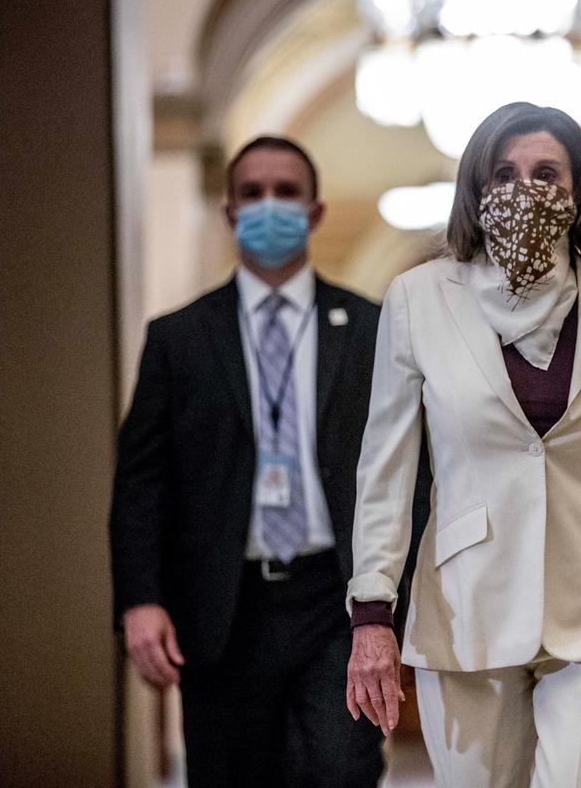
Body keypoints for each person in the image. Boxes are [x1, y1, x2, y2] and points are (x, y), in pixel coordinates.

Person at [343, 102, 581, 788]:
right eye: (502, 173)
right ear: (476, 190)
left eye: (546, 173)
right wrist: (372, 612)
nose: (523, 189)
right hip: (466, 602)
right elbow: (385, 469)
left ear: (580, 193)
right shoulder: (418, 299)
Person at [109, 136, 419, 787]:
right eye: (252, 193)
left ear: (315, 211)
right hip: (223, 603)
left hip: (338, 598)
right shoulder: (181, 338)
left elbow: (408, 471)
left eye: (286, 192)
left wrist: (398, 599)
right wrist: (141, 599)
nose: (269, 206)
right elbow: (142, 483)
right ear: (228, 212)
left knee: (342, 768)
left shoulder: (370, 328)